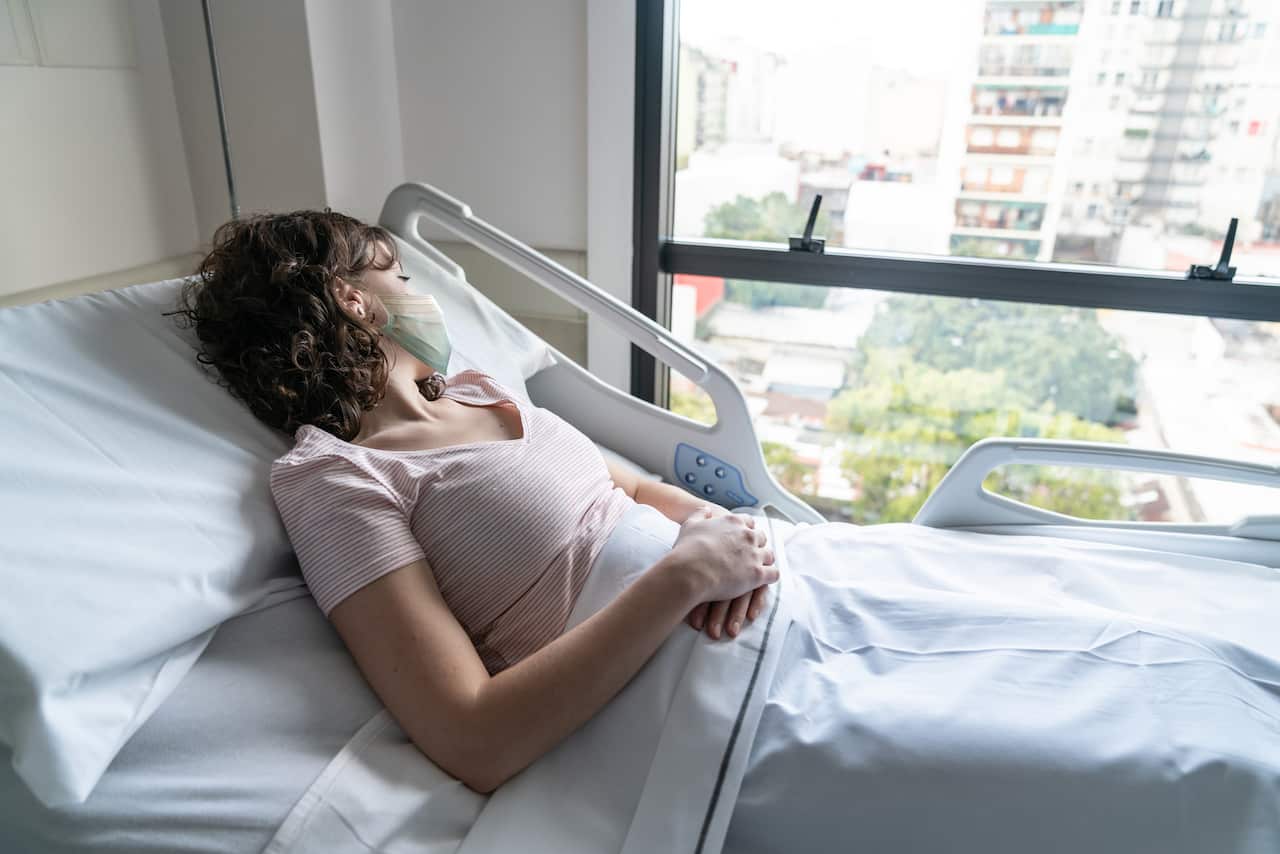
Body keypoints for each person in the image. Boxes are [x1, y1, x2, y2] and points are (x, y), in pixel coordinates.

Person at [174, 209, 778, 794]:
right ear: (354, 301)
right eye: (402, 277)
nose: (423, 295)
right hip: (688, 677)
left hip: (743, 589)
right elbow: (471, 737)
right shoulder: (337, 477)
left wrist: (725, 534)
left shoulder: (479, 391)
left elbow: (639, 489)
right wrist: (686, 576)